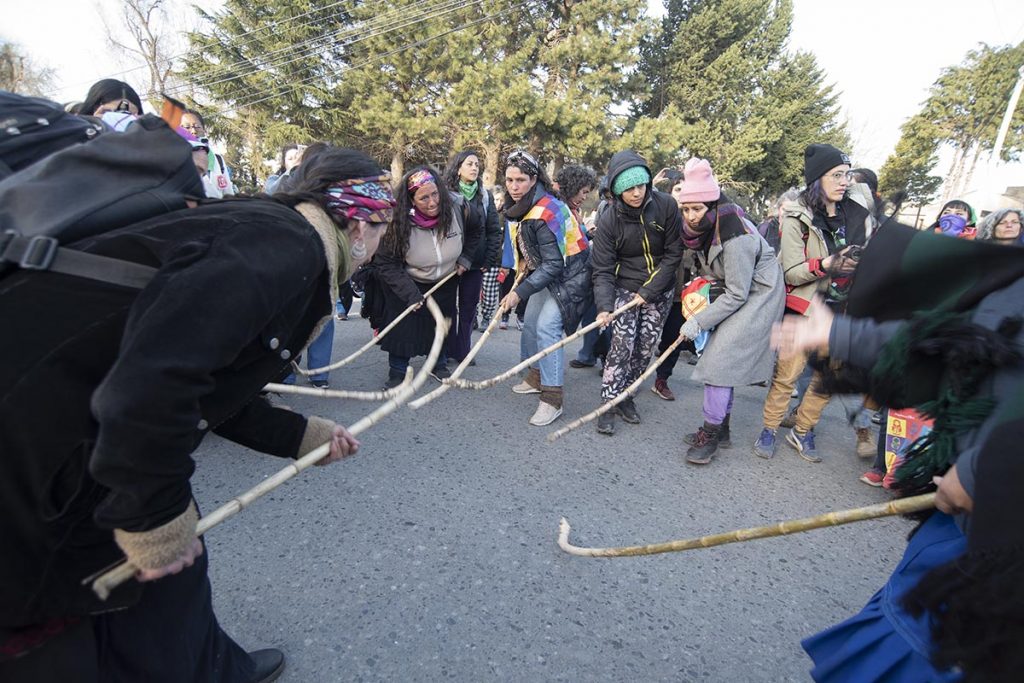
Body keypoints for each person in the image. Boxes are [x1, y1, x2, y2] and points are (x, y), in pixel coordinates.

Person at [0, 146, 394, 682]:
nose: (379, 243)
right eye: (382, 226)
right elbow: (153, 380)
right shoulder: (284, 248)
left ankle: (214, 668)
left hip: (88, 421)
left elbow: (211, 384)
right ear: (358, 223)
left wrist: (300, 434)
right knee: (58, 616)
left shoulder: (279, 235)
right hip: (44, 431)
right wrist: (152, 514)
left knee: (168, 582)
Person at [771, 224, 1024, 682]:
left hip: (1001, 548)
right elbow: (954, 337)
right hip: (963, 521)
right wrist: (840, 333)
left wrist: (982, 472)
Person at [753, 143, 874, 461]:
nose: (844, 181)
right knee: (786, 377)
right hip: (803, 309)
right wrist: (827, 264)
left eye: (847, 174)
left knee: (825, 381)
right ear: (817, 179)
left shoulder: (858, 215)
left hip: (841, 314)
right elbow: (791, 271)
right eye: (836, 175)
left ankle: (802, 431)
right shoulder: (798, 217)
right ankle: (769, 429)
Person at [674, 158, 785, 464]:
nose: (691, 216)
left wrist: (698, 321)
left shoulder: (735, 235)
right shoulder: (710, 226)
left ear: (712, 204)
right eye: (686, 209)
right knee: (724, 364)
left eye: (697, 208)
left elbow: (738, 292)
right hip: (739, 291)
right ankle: (721, 429)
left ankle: (710, 435)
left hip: (759, 296)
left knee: (720, 363)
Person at [590, 150, 684, 435]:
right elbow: (602, 269)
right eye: (629, 188)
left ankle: (626, 396)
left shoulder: (666, 206)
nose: (637, 193)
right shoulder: (609, 220)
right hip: (624, 288)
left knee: (645, 348)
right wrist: (604, 307)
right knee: (622, 345)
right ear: (617, 190)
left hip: (659, 289)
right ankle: (608, 403)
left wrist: (650, 290)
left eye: (641, 185)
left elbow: (673, 254)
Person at [500, 150, 592, 426]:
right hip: (549, 271)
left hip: (573, 274)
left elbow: (554, 264)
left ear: (534, 179)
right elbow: (531, 247)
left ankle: (553, 399)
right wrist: (522, 268)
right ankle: (537, 375)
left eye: (520, 180)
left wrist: (518, 293)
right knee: (530, 322)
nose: (514, 186)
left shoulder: (545, 209)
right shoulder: (522, 204)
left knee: (547, 327)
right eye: (509, 180)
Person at [367, 165, 478, 388]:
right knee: (404, 329)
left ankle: (438, 363)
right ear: (411, 200)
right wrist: (410, 294)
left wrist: (466, 258)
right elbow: (386, 263)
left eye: (435, 194)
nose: (432, 202)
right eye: (423, 198)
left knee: (441, 326)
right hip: (409, 281)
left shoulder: (458, 208)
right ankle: (398, 371)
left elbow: (477, 232)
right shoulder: (398, 222)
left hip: (445, 280)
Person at [443, 150, 501, 362]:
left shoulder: (484, 196)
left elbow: (493, 230)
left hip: (476, 263)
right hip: (449, 262)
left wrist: (489, 259)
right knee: (448, 307)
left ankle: (463, 350)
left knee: (468, 308)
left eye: (477, 164)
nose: (474, 168)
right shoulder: (445, 194)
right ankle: (447, 349)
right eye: (469, 164)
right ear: (458, 168)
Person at [651, 174, 698, 401]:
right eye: (678, 189)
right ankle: (626, 375)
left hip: (682, 293)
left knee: (673, 339)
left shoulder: (697, 221)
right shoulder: (659, 215)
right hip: (654, 288)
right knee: (641, 337)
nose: (683, 195)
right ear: (670, 192)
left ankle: (662, 379)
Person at [180, 109, 236, 198]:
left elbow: (228, 194)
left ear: (204, 129)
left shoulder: (218, 160)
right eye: (187, 127)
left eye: (197, 126)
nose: (193, 131)